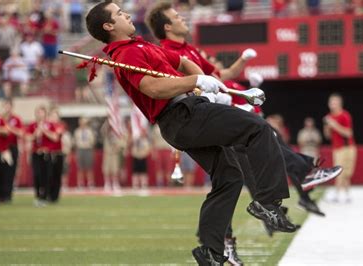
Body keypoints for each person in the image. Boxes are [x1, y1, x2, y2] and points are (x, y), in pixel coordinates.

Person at [86, 2, 296, 264]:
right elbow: (153, 88)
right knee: (258, 127)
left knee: (229, 176)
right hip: (183, 115)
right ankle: (268, 201)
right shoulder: (126, 55)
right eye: (119, 14)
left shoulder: (143, 45)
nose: (126, 14)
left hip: (185, 116)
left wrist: (203, 84)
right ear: (108, 26)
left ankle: (211, 250)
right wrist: (195, 83)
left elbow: (183, 61)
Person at [145, 3, 342, 263]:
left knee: (232, 175)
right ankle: (282, 191)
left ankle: (215, 248)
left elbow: (219, 75)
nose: (183, 19)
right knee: (259, 136)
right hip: (201, 115)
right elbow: (181, 86)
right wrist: (216, 98)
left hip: (212, 110)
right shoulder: (166, 51)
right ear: (167, 27)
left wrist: (244, 62)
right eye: (177, 17)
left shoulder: (188, 50)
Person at [324, 93, 357, 203]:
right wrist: (327, 127)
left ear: (340, 103)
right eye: (331, 102)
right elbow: (327, 136)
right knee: (339, 171)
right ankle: (339, 193)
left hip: (347, 147)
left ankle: (345, 194)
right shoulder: (329, 117)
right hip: (337, 148)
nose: (333, 104)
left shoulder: (345, 115)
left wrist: (334, 125)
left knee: (347, 173)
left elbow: (348, 133)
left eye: (335, 102)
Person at [26, 106, 58, 207]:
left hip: (47, 154)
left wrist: (44, 131)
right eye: (38, 112)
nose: (40, 114)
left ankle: (45, 196)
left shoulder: (50, 125)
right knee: (37, 175)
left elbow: (55, 137)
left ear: (45, 114)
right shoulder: (32, 125)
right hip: (36, 153)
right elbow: (28, 137)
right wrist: (36, 132)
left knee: (47, 175)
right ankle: (38, 196)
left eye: (42, 112)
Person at [2, 99, 23, 202]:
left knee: (11, 172)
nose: (7, 108)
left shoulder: (16, 119)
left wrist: (10, 128)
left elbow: (21, 133)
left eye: (9, 106)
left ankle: (8, 195)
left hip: (12, 147)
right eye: (5, 106)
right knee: (1, 171)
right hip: (2, 148)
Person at [101, 120, 126, 194]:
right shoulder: (106, 133)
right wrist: (108, 120)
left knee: (115, 170)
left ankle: (115, 184)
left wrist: (118, 147)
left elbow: (121, 143)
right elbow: (103, 130)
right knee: (106, 169)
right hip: (108, 153)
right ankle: (107, 184)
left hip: (114, 153)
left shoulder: (117, 134)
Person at [48, 108, 65, 202]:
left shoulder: (60, 125)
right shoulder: (48, 125)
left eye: (55, 115)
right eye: (52, 115)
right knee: (49, 175)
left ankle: (55, 195)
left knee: (57, 175)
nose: (54, 117)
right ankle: (48, 194)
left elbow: (56, 137)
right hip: (49, 153)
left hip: (58, 153)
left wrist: (46, 131)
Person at [74, 117, 96, 188]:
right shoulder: (77, 131)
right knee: (80, 168)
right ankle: (80, 183)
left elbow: (93, 141)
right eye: (81, 122)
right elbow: (75, 142)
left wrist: (88, 144)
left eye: (84, 122)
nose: (83, 124)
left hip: (88, 149)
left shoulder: (90, 131)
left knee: (89, 167)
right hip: (80, 149)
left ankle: (90, 183)